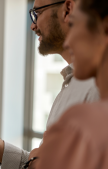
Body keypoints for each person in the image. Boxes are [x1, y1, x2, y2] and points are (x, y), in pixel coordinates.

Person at [0, 0, 99, 168]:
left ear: (67, 10)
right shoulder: (69, 87)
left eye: (38, 13)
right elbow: (33, 163)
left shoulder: (97, 90)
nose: (33, 26)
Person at [31, 0, 108, 168]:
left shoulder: (79, 122)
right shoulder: (69, 86)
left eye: (75, 24)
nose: (68, 42)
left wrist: (41, 161)